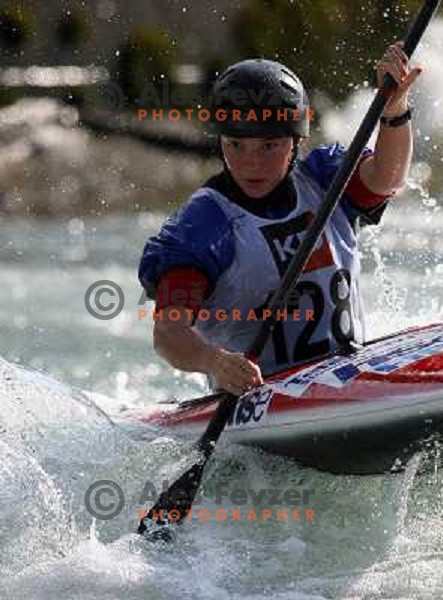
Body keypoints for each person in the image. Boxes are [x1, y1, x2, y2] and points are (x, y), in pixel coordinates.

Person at [139, 42, 423, 396]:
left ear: (295, 142)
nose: (250, 163)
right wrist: (213, 361)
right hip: (261, 403)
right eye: (236, 145)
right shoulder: (203, 225)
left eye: (269, 146)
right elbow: (168, 333)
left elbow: (388, 177)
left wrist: (394, 107)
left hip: (346, 380)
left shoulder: (323, 179)